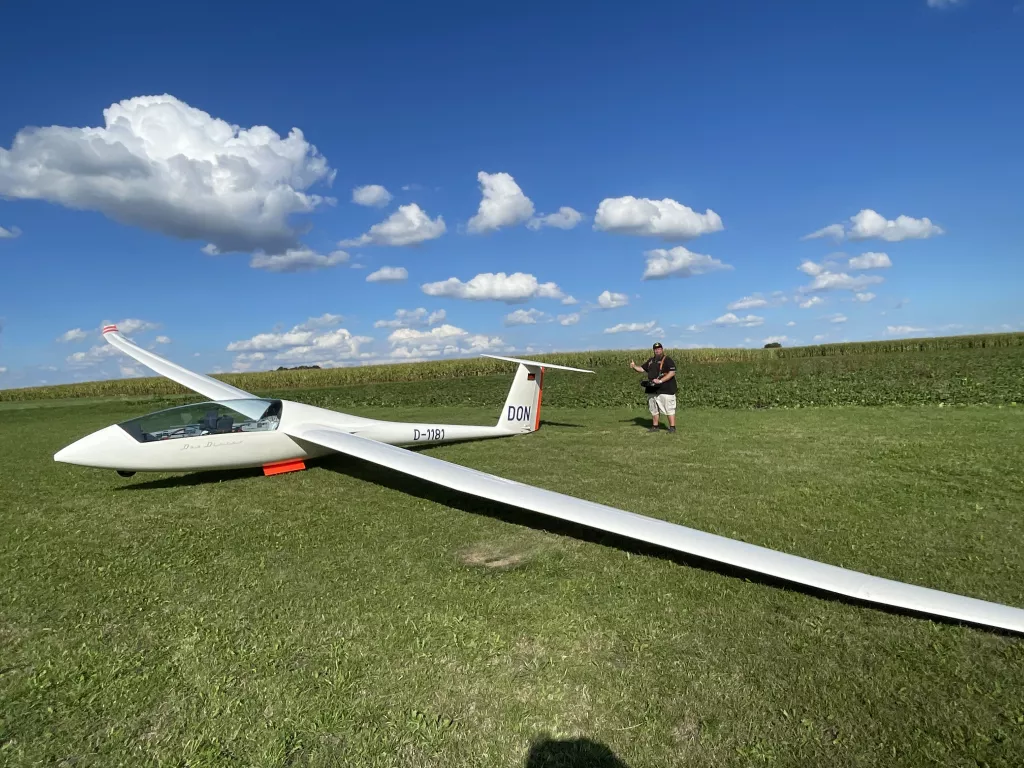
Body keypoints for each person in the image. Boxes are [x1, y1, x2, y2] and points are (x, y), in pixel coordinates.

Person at [630, 342, 677, 433]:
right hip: (652, 389)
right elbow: (642, 369)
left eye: (659, 349)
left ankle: (672, 427)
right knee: (653, 408)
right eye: (655, 349)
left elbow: (672, 372)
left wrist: (660, 380)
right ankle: (655, 426)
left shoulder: (667, 360)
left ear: (662, 349)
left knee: (669, 408)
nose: (657, 350)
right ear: (653, 350)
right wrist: (634, 366)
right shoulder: (651, 361)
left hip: (666, 389)